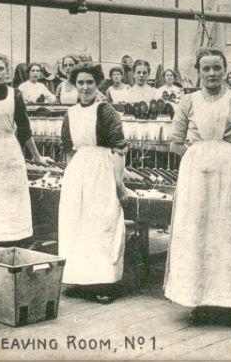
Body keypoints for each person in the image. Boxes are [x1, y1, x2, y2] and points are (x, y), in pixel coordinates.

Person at [165, 48, 231, 324]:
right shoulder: (187, 102)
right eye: (206, 68)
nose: (212, 73)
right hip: (196, 178)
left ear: (225, 70)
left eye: (217, 68)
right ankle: (198, 298)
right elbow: (175, 142)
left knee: (229, 234)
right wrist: (198, 157)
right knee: (197, 233)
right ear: (198, 71)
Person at [59, 62, 129, 304]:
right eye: (81, 83)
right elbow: (68, 149)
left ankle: (103, 283)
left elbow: (119, 148)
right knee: (77, 224)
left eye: (90, 82)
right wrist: (72, 175)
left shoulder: (106, 111)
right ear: (74, 85)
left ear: (97, 83)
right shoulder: (70, 114)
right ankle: (80, 279)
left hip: (102, 170)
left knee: (101, 224)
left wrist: (118, 182)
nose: (85, 87)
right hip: (78, 172)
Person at [0, 53, 53, 249]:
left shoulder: (16, 95)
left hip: (10, 151)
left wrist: (38, 156)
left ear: (7, 71)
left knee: (11, 197)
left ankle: (12, 243)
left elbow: (24, 129)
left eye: (0, 69)